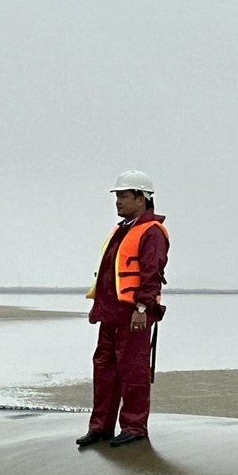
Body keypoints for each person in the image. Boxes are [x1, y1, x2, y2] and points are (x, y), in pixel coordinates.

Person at [77, 171, 170, 450]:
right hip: (110, 313)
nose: (118, 201)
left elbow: (151, 272)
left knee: (133, 372)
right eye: (117, 196)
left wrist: (142, 307)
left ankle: (134, 427)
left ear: (142, 199)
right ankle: (100, 427)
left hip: (133, 315)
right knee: (104, 370)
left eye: (124, 196)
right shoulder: (122, 229)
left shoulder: (152, 232)